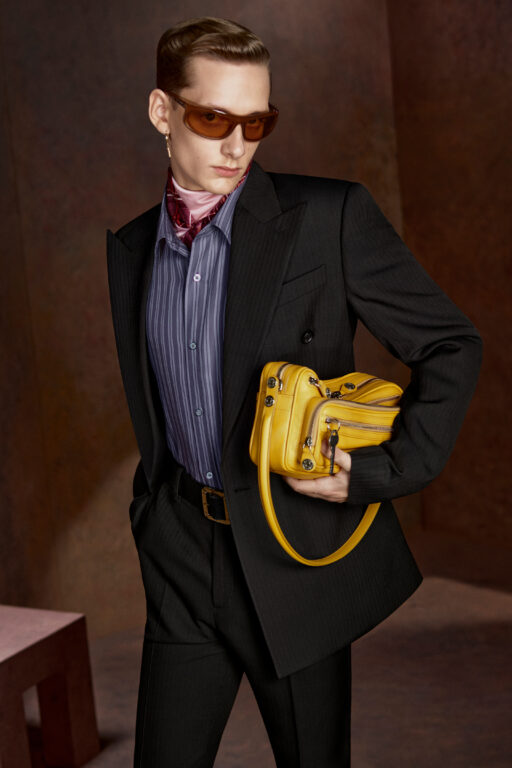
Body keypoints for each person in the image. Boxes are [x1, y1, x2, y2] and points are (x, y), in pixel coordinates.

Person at [106, 16, 482, 768]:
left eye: (257, 122)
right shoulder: (132, 247)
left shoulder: (329, 218)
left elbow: (451, 344)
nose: (237, 145)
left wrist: (378, 472)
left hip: (291, 553)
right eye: (213, 118)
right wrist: (154, 517)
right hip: (182, 556)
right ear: (161, 111)